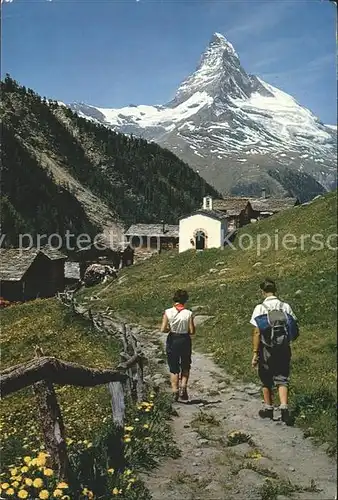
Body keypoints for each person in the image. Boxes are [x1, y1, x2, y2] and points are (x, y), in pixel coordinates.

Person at [250, 278, 299, 425]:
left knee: (266, 377)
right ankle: (284, 407)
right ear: (275, 290)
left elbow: (257, 332)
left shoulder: (260, 308)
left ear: (262, 291)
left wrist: (255, 352)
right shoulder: (285, 306)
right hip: (283, 347)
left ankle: (269, 408)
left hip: (266, 347)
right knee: (282, 376)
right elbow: (294, 325)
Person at [160, 289, 195, 402]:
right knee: (185, 364)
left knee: (173, 366)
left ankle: (174, 390)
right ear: (185, 300)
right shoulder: (188, 313)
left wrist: (170, 328)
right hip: (184, 339)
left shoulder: (168, 312)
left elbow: (163, 329)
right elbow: (192, 331)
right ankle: (183, 386)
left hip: (173, 338)